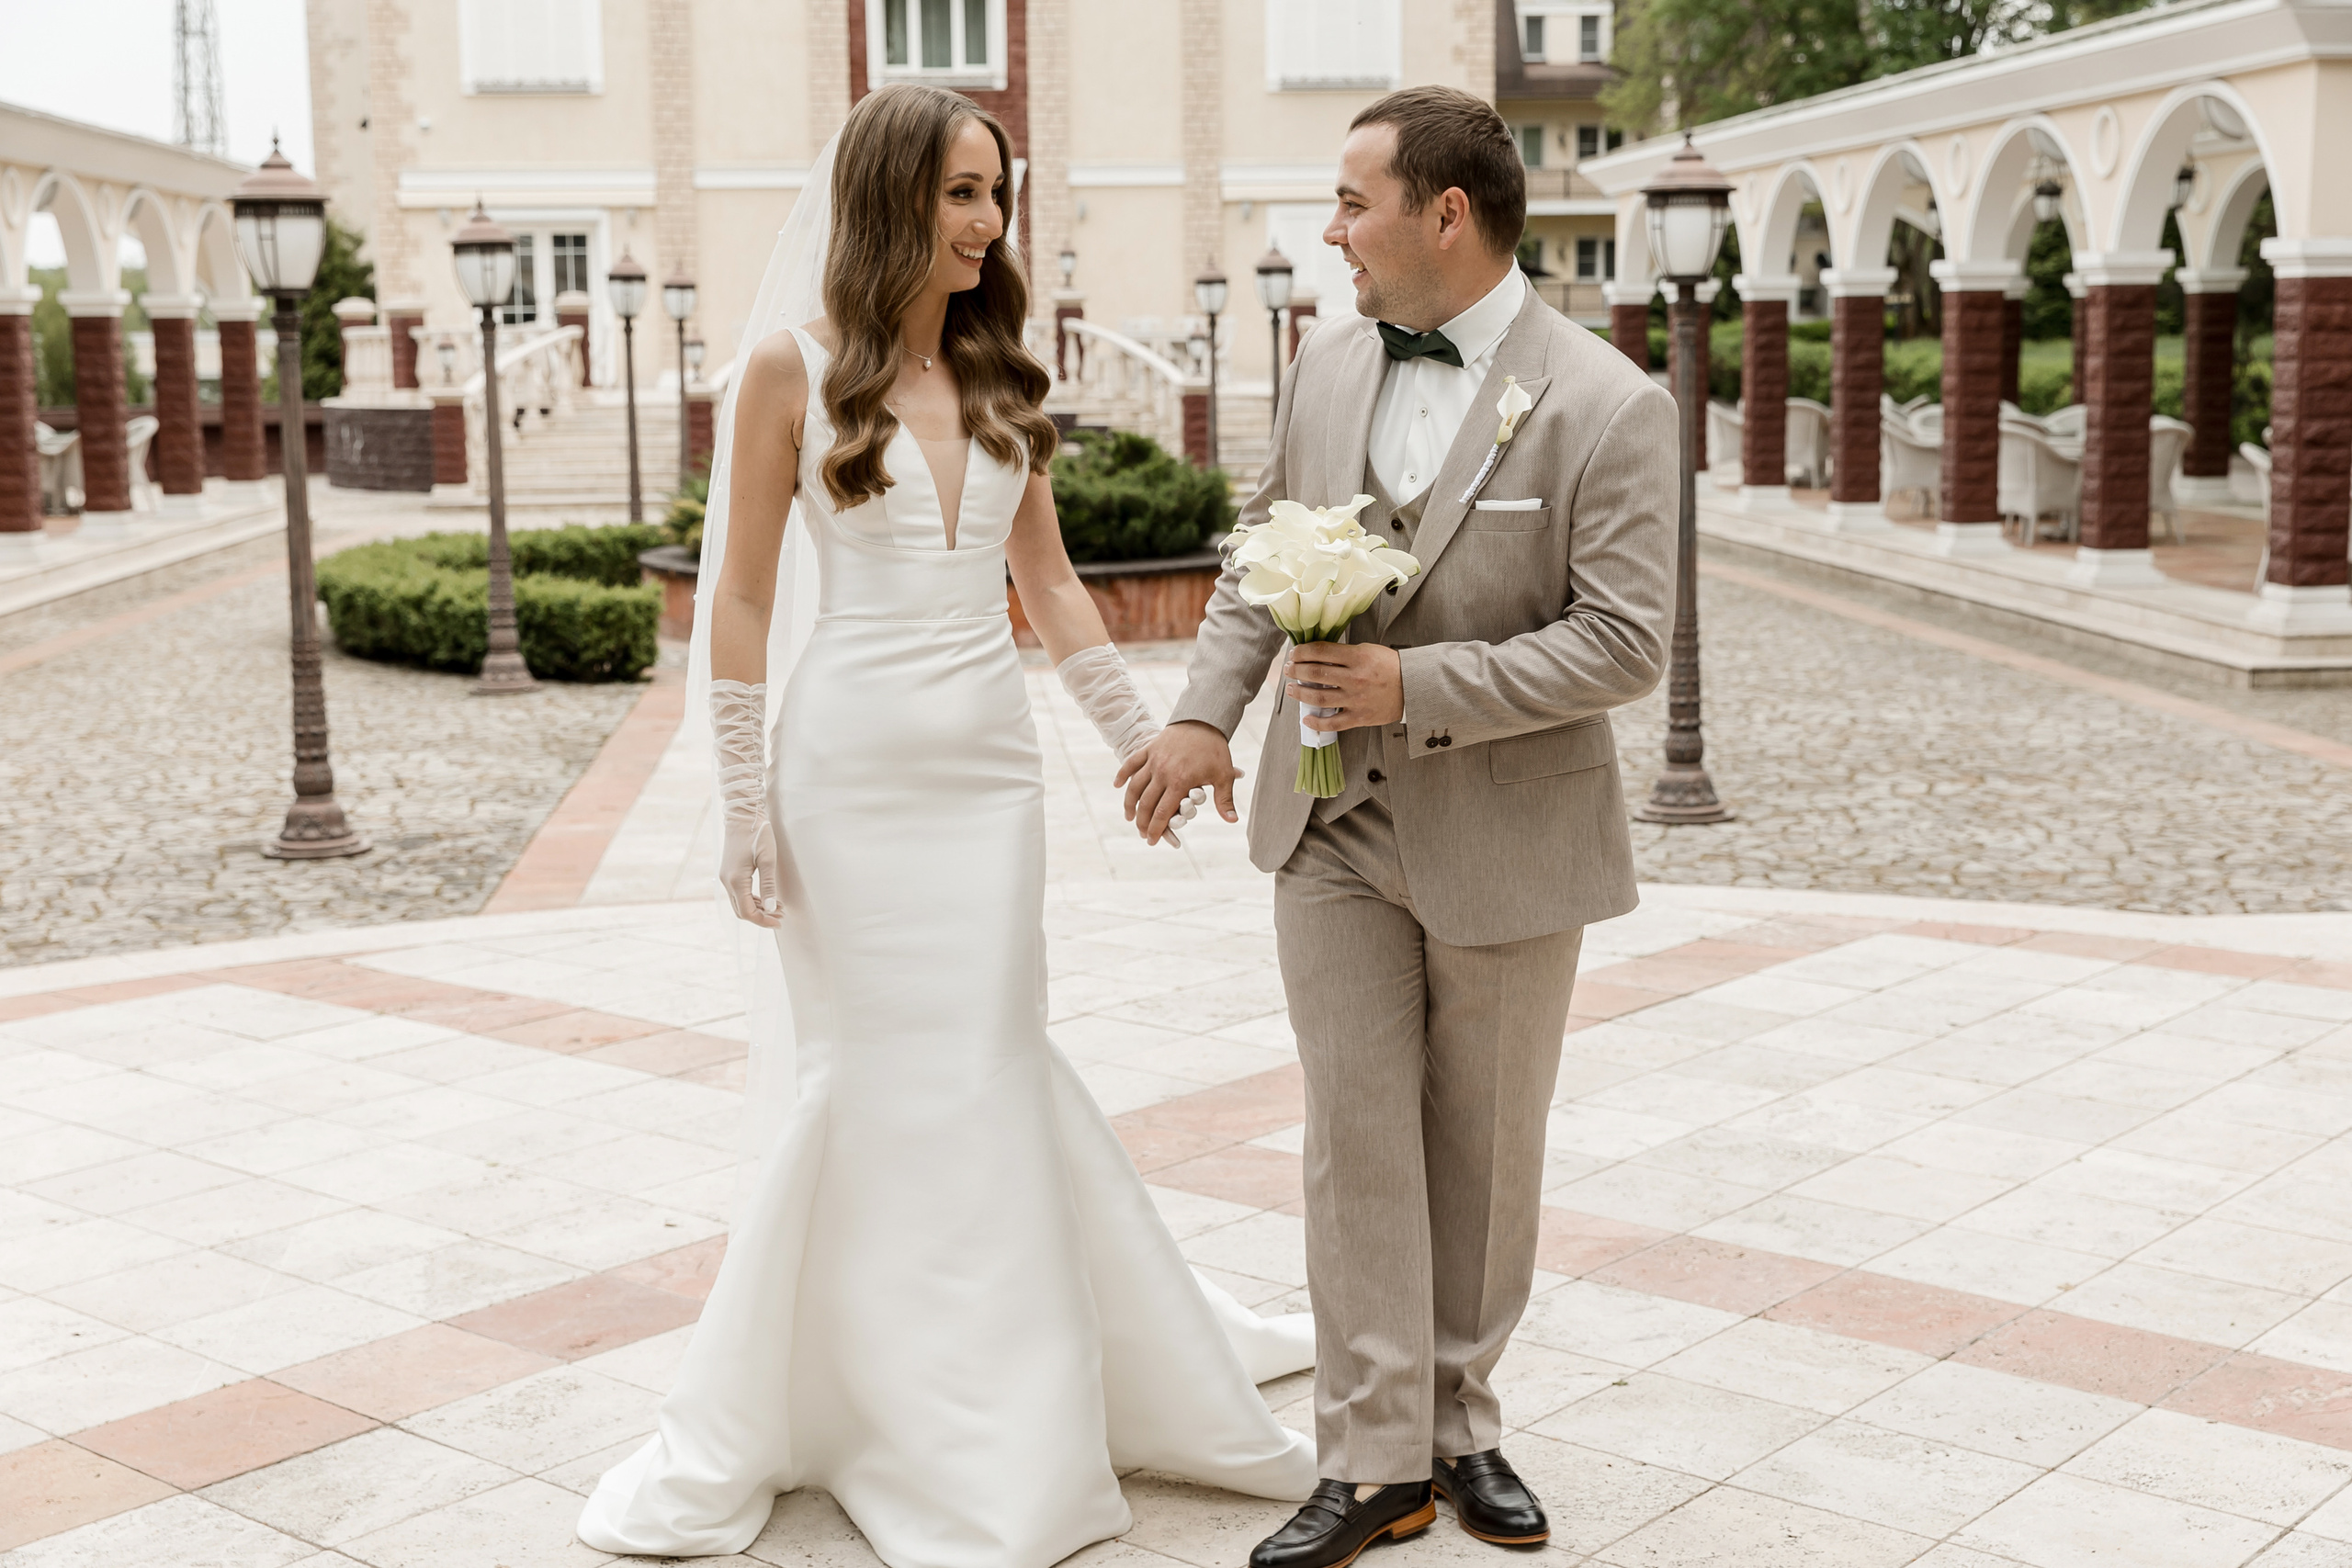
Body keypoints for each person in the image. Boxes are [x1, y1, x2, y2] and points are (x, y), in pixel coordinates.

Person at [575, 83, 1316, 1565]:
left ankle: (1006, 1395)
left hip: (984, 785)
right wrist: (736, 800)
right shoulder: (787, 372)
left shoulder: (1001, 379)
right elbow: (735, 594)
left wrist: (1150, 747)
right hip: (842, 777)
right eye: (961, 193)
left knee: (986, 1061)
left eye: (998, 195)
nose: (986, 224)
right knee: (866, 1080)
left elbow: (1048, 588)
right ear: (891, 196)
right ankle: (862, 1397)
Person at [1116, 85, 1678, 1565]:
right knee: (1353, 1137)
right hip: (1331, 826)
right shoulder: (1323, 365)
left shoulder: (1610, 402)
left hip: (1511, 832)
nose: (1331, 230)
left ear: (1447, 213)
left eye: (1353, 201)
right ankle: (1372, 1463)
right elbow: (1260, 553)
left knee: (1482, 1155)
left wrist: (1411, 682)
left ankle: (1460, 1426)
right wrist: (1200, 715)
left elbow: (1626, 644)